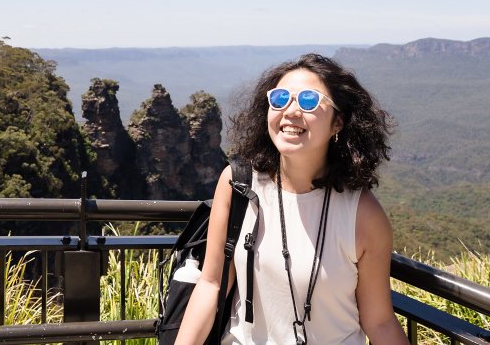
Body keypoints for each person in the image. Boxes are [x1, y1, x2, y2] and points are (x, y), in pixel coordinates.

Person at [175, 53, 410, 345]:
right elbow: (212, 285)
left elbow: (379, 321)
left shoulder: (362, 215)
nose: (291, 111)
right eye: (280, 98)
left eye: (309, 101)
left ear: (337, 122)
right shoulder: (238, 185)